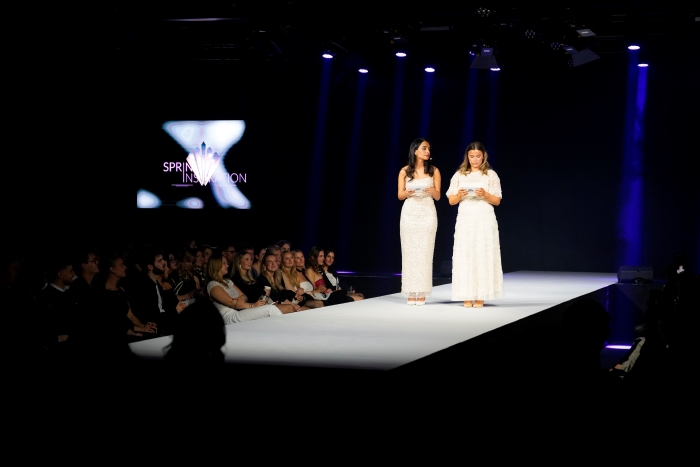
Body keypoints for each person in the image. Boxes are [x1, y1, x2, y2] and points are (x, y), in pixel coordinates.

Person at [446, 141, 503, 307]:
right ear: (467, 157)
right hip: (466, 218)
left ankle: (481, 295)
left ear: (483, 156)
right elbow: (451, 200)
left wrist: (485, 194)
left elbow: (497, 200)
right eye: (472, 156)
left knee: (482, 253)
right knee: (465, 254)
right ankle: (466, 294)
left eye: (478, 156)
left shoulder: (490, 175)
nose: (475, 159)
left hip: (484, 217)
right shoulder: (459, 175)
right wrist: (459, 194)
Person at [398, 138, 441, 305]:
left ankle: (421, 292)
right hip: (409, 213)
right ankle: (411, 291)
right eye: (424, 148)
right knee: (409, 253)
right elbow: (400, 195)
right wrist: (407, 192)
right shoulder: (404, 171)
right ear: (415, 151)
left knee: (425, 253)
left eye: (429, 149)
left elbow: (438, 196)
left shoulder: (434, 171)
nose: (427, 151)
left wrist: (431, 190)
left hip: (427, 213)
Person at [207, 256, 291, 324]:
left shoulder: (228, 281)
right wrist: (252, 305)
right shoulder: (212, 284)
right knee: (271, 309)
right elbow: (231, 303)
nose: (227, 265)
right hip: (229, 316)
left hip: (240, 311)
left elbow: (244, 296)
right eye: (224, 263)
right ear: (216, 265)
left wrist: (240, 298)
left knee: (272, 308)